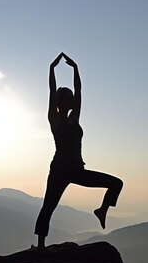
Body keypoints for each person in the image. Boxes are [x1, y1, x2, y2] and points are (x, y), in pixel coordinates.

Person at [34, 52, 123, 249]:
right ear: (61, 101)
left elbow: (80, 91)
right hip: (59, 171)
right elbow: (51, 91)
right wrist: (52, 69)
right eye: (69, 98)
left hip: (77, 169)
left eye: (73, 98)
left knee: (116, 183)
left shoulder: (74, 120)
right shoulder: (54, 119)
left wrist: (76, 69)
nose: (73, 100)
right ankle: (40, 246)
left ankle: (102, 210)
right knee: (48, 207)